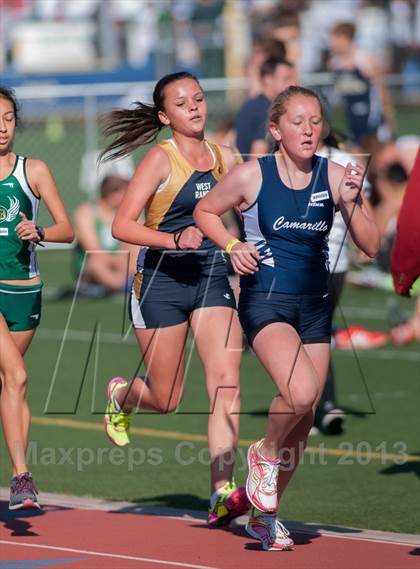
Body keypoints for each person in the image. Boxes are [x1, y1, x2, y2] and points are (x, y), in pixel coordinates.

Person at [194, 85, 379, 550]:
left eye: (315, 121)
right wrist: (233, 246)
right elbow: (204, 211)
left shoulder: (335, 175)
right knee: (299, 391)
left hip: (315, 306)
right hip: (267, 302)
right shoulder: (250, 175)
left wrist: (355, 200)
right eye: (298, 121)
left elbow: (371, 246)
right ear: (275, 129)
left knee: (305, 413)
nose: (309, 130)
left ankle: (264, 513)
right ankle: (263, 452)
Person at [100, 72, 250, 526]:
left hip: (210, 275)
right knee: (166, 398)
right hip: (161, 280)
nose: (195, 108)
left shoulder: (227, 156)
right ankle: (123, 396)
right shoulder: (159, 161)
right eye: (182, 103)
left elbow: (244, 213)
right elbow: (121, 226)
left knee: (226, 379)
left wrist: (239, 255)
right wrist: (172, 240)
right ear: (165, 116)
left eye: (199, 99)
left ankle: (221, 492)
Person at [0, 86, 74, 510]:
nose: (2, 126)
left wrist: (40, 231)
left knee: (12, 384)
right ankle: (21, 475)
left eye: (9, 117)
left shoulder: (35, 170)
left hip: (25, 294)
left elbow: (68, 229)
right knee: (18, 377)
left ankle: (19, 475)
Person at [328, 22, 395, 151]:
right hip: (352, 116)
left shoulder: (364, 59)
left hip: (371, 115)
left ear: (345, 38)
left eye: (334, 39)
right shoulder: (335, 63)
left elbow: (381, 88)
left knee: (376, 151)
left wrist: (389, 115)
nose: (331, 44)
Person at [71, 175, 138, 297]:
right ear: (113, 193)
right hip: (92, 266)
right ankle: (125, 286)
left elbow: (130, 244)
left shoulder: (123, 213)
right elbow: (93, 249)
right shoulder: (86, 212)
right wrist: (116, 260)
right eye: (126, 193)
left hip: (118, 263)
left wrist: (126, 260)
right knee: (96, 265)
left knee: (135, 256)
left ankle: (127, 283)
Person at [235, 56, 296, 160]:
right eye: (286, 79)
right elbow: (257, 156)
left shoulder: (253, 103)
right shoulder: (266, 110)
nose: (293, 84)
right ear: (268, 79)